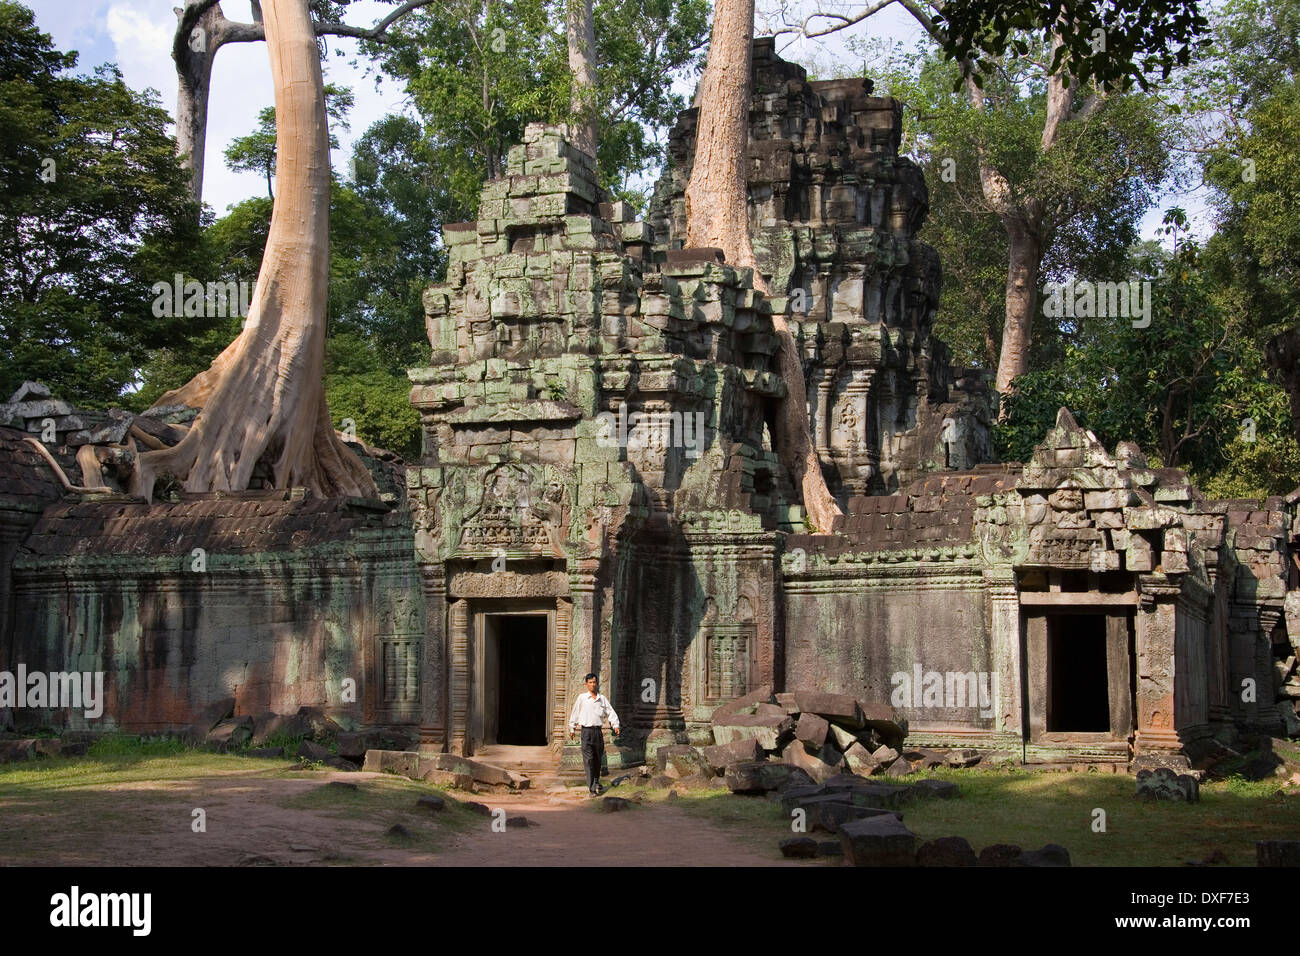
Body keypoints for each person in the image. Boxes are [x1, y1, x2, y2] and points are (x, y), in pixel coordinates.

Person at [568, 672, 620, 795]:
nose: (592, 685)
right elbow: (575, 712)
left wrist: (615, 725)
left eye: (594, 682)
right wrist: (572, 727)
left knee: (597, 759)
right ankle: (592, 789)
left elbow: (610, 712)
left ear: (597, 684)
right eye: (590, 682)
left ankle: (596, 781)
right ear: (586, 684)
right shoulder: (582, 698)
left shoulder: (602, 699)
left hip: (598, 732)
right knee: (589, 760)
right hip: (586, 732)